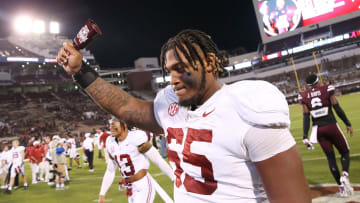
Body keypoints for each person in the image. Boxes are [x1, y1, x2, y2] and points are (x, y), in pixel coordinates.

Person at [57, 29, 311, 202]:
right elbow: (124, 107)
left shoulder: (247, 109)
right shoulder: (171, 106)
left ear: (210, 63)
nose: (174, 80)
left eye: (182, 69)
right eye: (169, 71)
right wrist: (80, 71)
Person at [298, 74, 354, 197]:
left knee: (330, 158)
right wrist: (347, 123)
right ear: (318, 81)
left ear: (308, 85)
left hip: (318, 130)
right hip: (331, 126)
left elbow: (306, 117)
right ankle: (344, 175)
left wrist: (304, 136)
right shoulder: (327, 89)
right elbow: (336, 107)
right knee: (345, 152)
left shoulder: (303, 95)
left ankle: (341, 189)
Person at [98, 117, 174, 203]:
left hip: (143, 186)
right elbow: (110, 170)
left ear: (124, 125)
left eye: (114, 125)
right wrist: (102, 194)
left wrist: (174, 177)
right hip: (130, 188)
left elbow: (158, 160)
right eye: (110, 125)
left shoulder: (135, 138)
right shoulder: (110, 142)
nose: (111, 128)